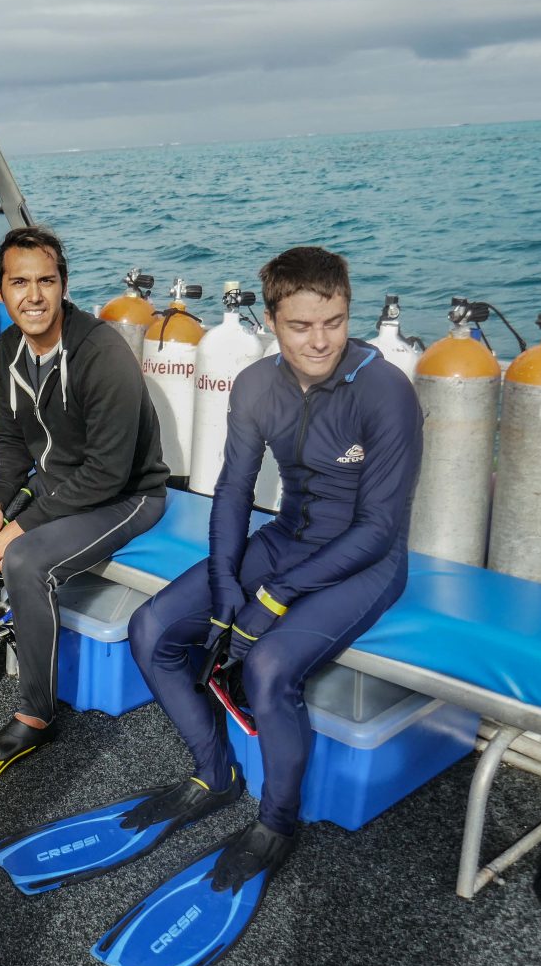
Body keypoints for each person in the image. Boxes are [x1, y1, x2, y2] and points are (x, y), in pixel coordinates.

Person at [126, 246, 423, 893]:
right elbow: (233, 492)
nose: (321, 341)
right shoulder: (257, 385)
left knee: (266, 664)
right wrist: (230, 583)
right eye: (300, 325)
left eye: (336, 321)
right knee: (150, 628)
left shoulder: (384, 389)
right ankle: (214, 770)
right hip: (288, 536)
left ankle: (277, 821)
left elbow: (378, 530)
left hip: (367, 562)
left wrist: (272, 598)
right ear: (270, 320)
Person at [0, 226, 167, 765]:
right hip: (58, 484)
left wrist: (19, 526)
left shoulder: (101, 353)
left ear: (63, 286)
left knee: (25, 559)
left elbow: (107, 473)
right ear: (2, 289)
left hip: (127, 494)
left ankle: (36, 714)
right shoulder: (9, 347)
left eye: (45, 281)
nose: (33, 295)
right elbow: (9, 441)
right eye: (19, 283)